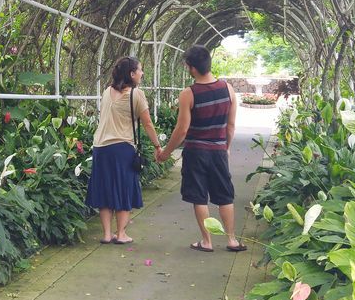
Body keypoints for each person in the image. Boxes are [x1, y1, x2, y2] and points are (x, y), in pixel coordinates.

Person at [157, 44, 246, 253]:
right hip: (218, 150)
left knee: (199, 196)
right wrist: (226, 147)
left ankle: (206, 241)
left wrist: (165, 153)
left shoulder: (189, 93)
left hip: (196, 151)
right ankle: (232, 240)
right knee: (225, 194)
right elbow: (230, 126)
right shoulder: (228, 89)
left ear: (191, 68)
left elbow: (182, 130)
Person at [86, 55, 163, 245]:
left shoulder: (106, 92)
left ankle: (106, 234)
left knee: (105, 189)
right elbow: (147, 123)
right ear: (131, 74)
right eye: (140, 70)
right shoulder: (136, 94)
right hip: (122, 148)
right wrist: (157, 146)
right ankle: (121, 234)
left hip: (100, 147)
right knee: (124, 188)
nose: (142, 73)